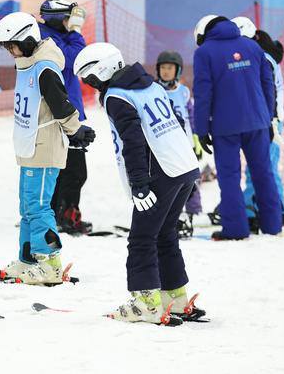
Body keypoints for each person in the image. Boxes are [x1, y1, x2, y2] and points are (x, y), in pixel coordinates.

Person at [74, 43, 203, 325]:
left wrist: (139, 184)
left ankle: (146, 303)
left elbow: (133, 143)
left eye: (90, 79)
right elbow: (178, 121)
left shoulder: (117, 97)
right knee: (165, 232)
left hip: (162, 170)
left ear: (101, 71)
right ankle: (175, 298)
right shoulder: (152, 86)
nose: (90, 85)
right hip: (184, 166)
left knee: (142, 238)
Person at [0, 12, 95, 285]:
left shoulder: (45, 67)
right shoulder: (27, 64)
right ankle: (27, 260)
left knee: (39, 206)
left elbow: (61, 103)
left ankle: (50, 262)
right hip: (29, 145)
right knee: (27, 207)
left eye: (11, 45)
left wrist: (76, 130)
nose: (9, 51)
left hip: (45, 146)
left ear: (26, 41)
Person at [192, 15, 281, 240]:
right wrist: (269, 117)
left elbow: (203, 94)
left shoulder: (204, 53)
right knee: (263, 174)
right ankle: (273, 225)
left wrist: (201, 129)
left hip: (225, 127)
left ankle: (236, 229)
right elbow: (268, 84)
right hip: (258, 122)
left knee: (230, 177)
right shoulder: (251, 45)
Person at [37, 0, 91, 234]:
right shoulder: (47, 40)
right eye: (68, 18)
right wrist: (77, 31)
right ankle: (62, 214)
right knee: (71, 170)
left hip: (69, 109)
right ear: (59, 20)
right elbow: (75, 58)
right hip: (60, 113)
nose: (72, 22)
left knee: (71, 169)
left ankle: (62, 212)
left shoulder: (57, 36)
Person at [231, 17, 284, 227]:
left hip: (270, 121)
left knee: (267, 168)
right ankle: (256, 209)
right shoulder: (257, 56)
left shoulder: (263, 59)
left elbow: (268, 94)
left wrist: (271, 122)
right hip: (261, 120)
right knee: (258, 167)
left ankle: (276, 209)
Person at [155, 50, 203, 236]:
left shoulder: (183, 92)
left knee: (190, 180)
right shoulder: (153, 90)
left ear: (178, 71)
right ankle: (166, 214)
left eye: (170, 68)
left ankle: (191, 211)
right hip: (165, 145)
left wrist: (196, 138)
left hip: (185, 143)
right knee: (167, 181)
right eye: (163, 68)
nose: (166, 72)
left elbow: (191, 115)